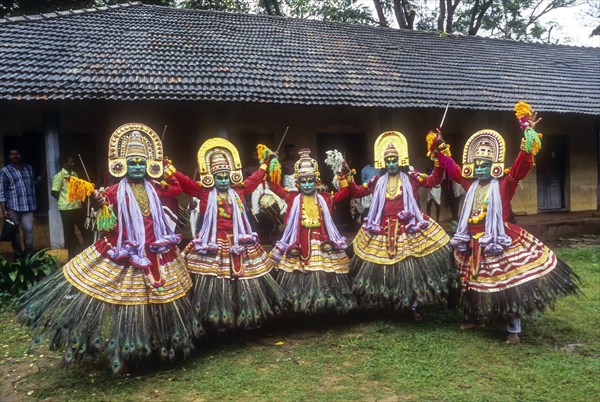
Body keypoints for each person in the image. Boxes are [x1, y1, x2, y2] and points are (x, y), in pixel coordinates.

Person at [18, 124, 200, 375]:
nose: (137, 166)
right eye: (132, 162)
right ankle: (129, 351)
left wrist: (168, 169)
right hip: (126, 253)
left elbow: (179, 188)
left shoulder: (158, 187)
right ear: (122, 164)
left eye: (142, 162)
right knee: (129, 302)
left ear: (149, 164)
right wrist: (98, 203)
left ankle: (164, 345)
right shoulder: (113, 191)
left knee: (161, 300)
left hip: (157, 251)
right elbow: (104, 221)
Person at [436, 102, 580, 344]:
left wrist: (528, 132)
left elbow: (520, 167)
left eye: (485, 165)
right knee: (469, 282)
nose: (481, 168)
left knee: (506, 283)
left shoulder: (504, 185)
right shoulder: (470, 185)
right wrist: (441, 146)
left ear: (494, 167)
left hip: (496, 241)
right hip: (470, 242)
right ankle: (475, 317)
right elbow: (453, 169)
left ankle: (513, 329)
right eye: (478, 164)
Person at [172, 138, 288, 331]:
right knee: (216, 282)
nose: (224, 180)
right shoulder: (204, 192)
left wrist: (267, 164)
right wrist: (168, 168)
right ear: (212, 177)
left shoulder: (239, 190)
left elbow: (257, 177)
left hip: (240, 241)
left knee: (244, 279)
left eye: (226, 176)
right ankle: (213, 322)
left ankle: (248, 317)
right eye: (219, 176)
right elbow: (184, 182)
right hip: (212, 244)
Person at [348, 131, 456, 318]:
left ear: (401, 160)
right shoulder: (377, 181)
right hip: (381, 229)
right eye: (388, 160)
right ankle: (389, 301)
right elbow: (357, 192)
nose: (391, 164)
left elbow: (434, 180)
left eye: (394, 160)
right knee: (385, 266)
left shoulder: (412, 178)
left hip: (408, 227)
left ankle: (412, 306)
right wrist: (346, 176)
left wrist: (438, 155)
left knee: (410, 268)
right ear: (383, 162)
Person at [268, 148, 355, 315]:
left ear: (316, 182)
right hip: (298, 240)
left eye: (310, 181)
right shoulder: (292, 197)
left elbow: (344, 192)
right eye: (304, 182)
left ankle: (326, 309)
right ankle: (298, 308)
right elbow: (274, 186)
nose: (307, 185)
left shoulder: (326, 198)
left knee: (325, 270)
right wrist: (271, 163)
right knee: (298, 271)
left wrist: (344, 174)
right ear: (298, 183)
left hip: (322, 241)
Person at [51, 156, 92, 258]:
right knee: (69, 233)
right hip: (66, 209)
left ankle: (88, 252)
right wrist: (65, 200)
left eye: (73, 162)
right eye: (70, 162)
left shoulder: (74, 174)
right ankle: (73, 255)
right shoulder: (59, 176)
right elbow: (54, 192)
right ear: (64, 164)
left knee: (86, 229)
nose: (72, 164)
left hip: (77, 207)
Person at [0, 148, 37, 258]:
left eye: (17, 154)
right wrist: (4, 210)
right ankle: (18, 256)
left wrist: (45, 174)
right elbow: (1, 191)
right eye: (12, 154)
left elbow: (34, 182)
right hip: (13, 207)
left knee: (29, 231)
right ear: (9, 157)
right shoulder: (4, 171)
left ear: (20, 155)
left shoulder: (28, 168)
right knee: (14, 234)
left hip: (28, 206)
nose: (15, 156)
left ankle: (29, 256)